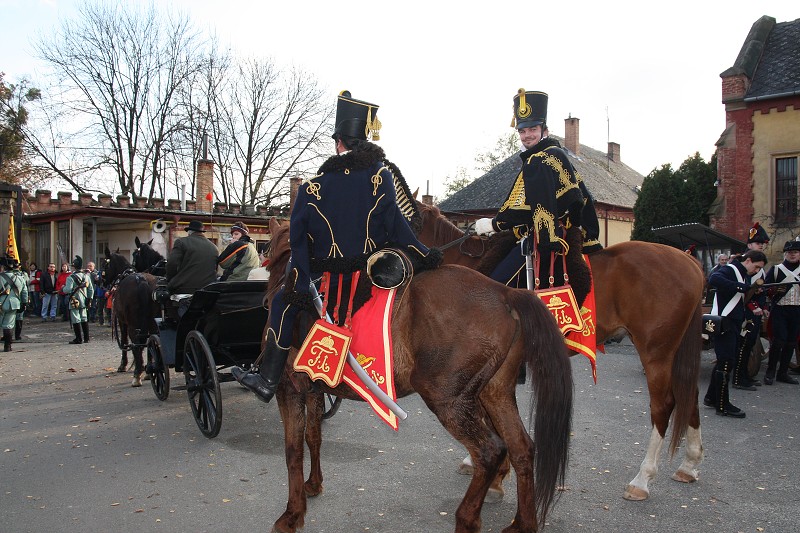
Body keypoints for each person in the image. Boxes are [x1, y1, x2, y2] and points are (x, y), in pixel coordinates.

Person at [233, 90, 440, 404]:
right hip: (368, 274)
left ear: (339, 143)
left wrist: (301, 279)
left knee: (280, 305)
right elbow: (397, 227)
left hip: (325, 276)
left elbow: (299, 239)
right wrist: (426, 255)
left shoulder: (313, 186)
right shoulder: (380, 177)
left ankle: (267, 378)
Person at [473, 89, 601, 287]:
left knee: (493, 285)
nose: (527, 136)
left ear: (545, 131)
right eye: (522, 131)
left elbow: (533, 208)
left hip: (548, 237)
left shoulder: (538, 160)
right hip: (571, 231)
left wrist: (494, 224)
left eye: (532, 129)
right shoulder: (555, 153)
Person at [703, 250, 767, 417]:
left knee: (725, 360)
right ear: (749, 260)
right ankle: (722, 405)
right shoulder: (731, 269)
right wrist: (741, 287)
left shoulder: (742, 273)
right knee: (726, 361)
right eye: (756, 267)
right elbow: (714, 279)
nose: (756, 271)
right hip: (725, 321)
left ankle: (711, 397)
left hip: (732, 321)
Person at [732, 223, 769, 389]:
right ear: (749, 245)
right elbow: (745, 289)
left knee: (749, 344)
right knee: (744, 345)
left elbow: (760, 290)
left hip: (754, 312)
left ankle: (745, 375)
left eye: (762, 243)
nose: (760, 245)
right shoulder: (743, 265)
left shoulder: (760, 266)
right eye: (757, 243)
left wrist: (763, 306)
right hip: (745, 311)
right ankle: (739, 378)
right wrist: (754, 305)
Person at [762, 239, 800, 385]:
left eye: (795, 252)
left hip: (797, 309)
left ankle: (783, 373)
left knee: (791, 342)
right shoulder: (777, 269)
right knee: (778, 341)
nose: (792, 255)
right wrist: (774, 290)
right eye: (789, 252)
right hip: (780, 309)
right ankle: (770, 371)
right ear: (785, 254)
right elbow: (765, 289)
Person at [165, 220, 218, 294]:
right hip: (208, 288)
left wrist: (170, 280)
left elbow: (172, 264)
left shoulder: (181, 242)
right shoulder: (214, 247)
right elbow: (215, 268)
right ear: (201, 232)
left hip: (185, 287)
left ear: (189, 231)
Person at [61, 256, 93, 345]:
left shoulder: (70, 278)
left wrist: (63, 288)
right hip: (84, 299)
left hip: (74, 300)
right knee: (84, 317)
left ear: (74, 267)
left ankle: (78, 339)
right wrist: (89, 299)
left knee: (76, 318)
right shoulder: (86, 276)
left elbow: (68, 289)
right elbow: (91, 289)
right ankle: (87, 338)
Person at [0, 257, 28, 351]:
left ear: (3, 267)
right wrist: (24, 303)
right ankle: (7, 346)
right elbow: (24, 292)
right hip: (13, 304)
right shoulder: (20, 278)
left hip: (0, 304)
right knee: (9, 325)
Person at [13, 261, 29, 341]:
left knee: (8, 320)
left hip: (6, 301)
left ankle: (7, 337)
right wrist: (25, 302)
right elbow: (25, 290)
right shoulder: (23, 276)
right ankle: (17, 336)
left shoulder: (4, 276)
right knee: (19, 318)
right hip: (19, 300)